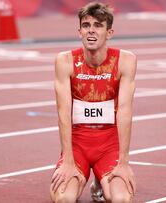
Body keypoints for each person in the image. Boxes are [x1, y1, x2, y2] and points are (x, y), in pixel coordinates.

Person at [50, 2, 137, 202]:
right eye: (86, 25)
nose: (91, 30)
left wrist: (123, 162)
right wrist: (68, 162)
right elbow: (63, 112)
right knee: (64, 198)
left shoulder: (125, 61)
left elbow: (125, 111)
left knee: (121, 199)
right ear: (79, 31)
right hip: (78, 145)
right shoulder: (65, 61)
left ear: (109, 32)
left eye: (98, 25)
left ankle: (100, 179)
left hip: (109, 145)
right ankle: (87, 175)